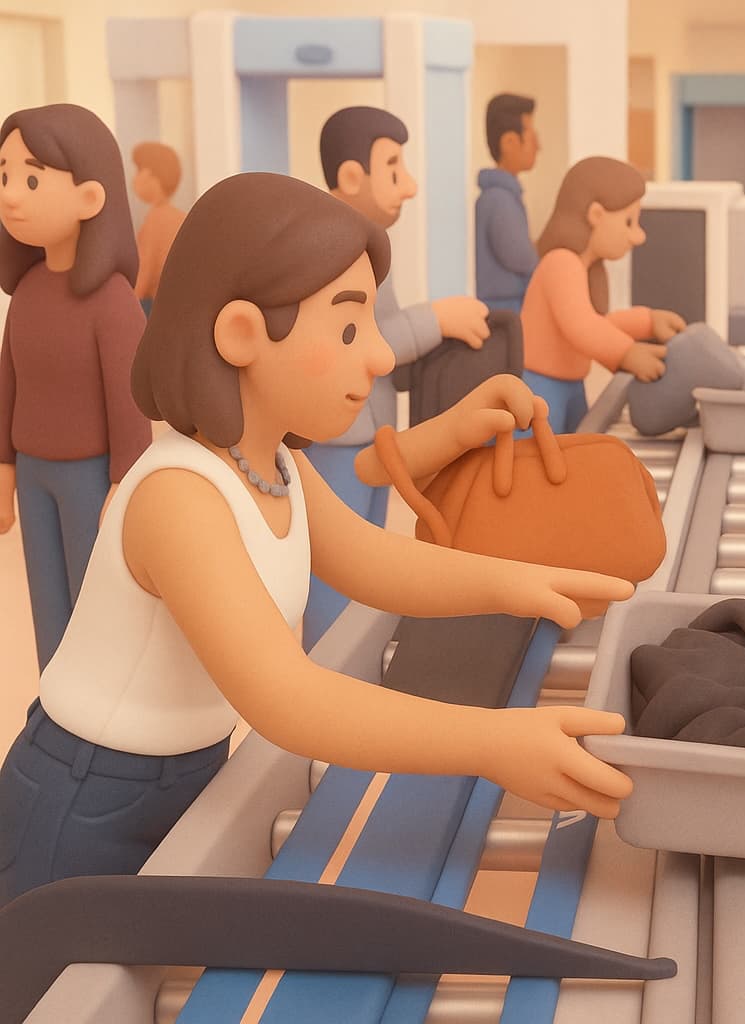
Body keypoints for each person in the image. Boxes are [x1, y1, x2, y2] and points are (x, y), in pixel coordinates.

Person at [0, 172, 635, 907]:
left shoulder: (276, 464)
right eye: (346, 328)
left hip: (186, 772)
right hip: (83, 795)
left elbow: (372, 559)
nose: (376, 357)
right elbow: (288, 698)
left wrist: (513, 583)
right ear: (240, 333)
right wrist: (493, 742)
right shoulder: (179, 495)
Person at [302, 106, 492, 650]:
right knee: (334, 570)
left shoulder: (363, 246)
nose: (407, 186)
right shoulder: (331, 251)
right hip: (339, 436)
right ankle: (324, 670)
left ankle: (353, 662)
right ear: (351, 177)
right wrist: (437, 318)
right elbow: (371, 341)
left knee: (368, 563)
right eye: (393, 168)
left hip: (372, 430)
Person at [0, 103, 151, 672]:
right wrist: (6, 467)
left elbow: (129, 404)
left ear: (91, 198)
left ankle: (98, 698)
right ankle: (54, 698)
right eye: (5, 175)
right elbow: (7, 381)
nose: (12, 194)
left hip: (92, 479)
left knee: (98, 597)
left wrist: (123, 482)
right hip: (34, 469)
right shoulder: (28, 292)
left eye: (32, 178)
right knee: (46, 595)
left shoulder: (112, 303)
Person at [521, 156, 684, 433]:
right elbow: (581, 327)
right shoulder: (561, 263)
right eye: (629, 222)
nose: (638, 236)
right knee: (536, 460)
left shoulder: (583, 268)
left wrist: (647, 321)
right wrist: (626, 353)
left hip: (570, 386)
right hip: (541, 389)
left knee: (578, 451)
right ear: (596, 215)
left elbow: (596, 324)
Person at [476, 93, 540, 312]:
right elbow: (522, 257)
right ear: (510, 142)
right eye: (532, 136)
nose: (538, 146)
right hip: (505, 313)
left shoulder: (503, 196)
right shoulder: (499, 200)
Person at [129, 140, 186, 315]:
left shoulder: (157, 218)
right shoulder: (178, 215)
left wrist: (129, 303)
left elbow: (146, 268)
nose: (135, 178)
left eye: (139, 171)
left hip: (159, 305)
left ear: (151, 175)